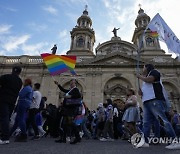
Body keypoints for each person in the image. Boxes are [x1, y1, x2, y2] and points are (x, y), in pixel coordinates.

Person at [137, 64, 180, 149]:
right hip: (146, 101)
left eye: (143, 67)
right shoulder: (146, 76)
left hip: (154, 100)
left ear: (147, 67)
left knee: (163, 121)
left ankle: (175, 141)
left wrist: (140, 77)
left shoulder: (154, 72)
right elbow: (148, 87)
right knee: (146, 123)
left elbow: (150, 80)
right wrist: (141, 93)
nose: (142, 69)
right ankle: (145, 142)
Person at [54, 79, 82, 144]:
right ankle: (63, 138)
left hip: (71, 109)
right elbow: (63, 90)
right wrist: (58, 84)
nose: (71, 84)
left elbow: (78, 96)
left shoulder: (76, 89)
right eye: (70, 83)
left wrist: (70, 96)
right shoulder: (70, 90)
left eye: (72, 83)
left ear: (75, 84)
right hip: (67, 109)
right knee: (65, 124)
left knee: (70, 123)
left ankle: (77, 137)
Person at [0, 66, 22, 145]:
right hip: (12, 102)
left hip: (3, 99)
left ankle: (5, 137)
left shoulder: (6, 77)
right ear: (19, 72)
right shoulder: (20, 81)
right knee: (6, 118)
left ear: (12, 70)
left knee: (4, 118)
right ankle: (4, 136)